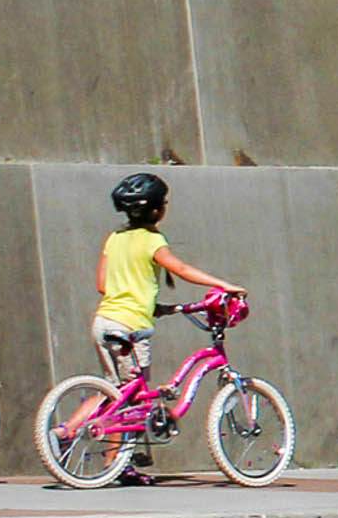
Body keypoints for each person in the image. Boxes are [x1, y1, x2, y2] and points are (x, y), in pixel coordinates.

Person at [86, 172, 246, 485]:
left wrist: (146, 300)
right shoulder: (153, 240)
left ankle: (69, 435)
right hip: (131, 326)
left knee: (116, 391)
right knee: (130, 397)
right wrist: (224, 285)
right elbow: (181, 270)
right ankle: (114, 463)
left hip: (103, 321)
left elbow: (102, 284)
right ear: (158, 210)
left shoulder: (114, 238)